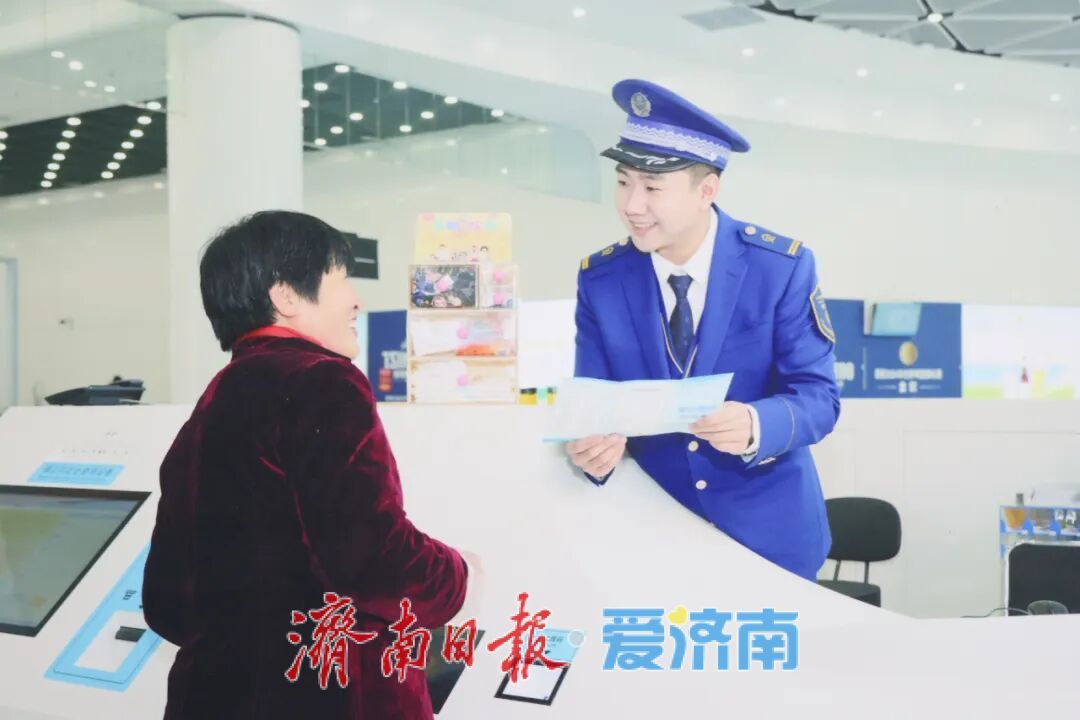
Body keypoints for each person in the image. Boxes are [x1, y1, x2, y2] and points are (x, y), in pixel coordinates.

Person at [144, 210, 479, 719]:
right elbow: (374, 560)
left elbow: (167, 603)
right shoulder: (322, 382)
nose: (356, 300)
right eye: (340, 279)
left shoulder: (214, 401)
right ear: (285, 296)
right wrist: (459, 576)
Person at [566, 79, 840, 581]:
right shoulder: (601, 279)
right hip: (653, 538)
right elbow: (595, 403)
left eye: (652, 188)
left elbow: (819, 397)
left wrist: (756, 424)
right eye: (623, 182)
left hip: (770, 540)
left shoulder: (779, 268)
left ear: (707, 190)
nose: (632, 205)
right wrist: (593, 449)